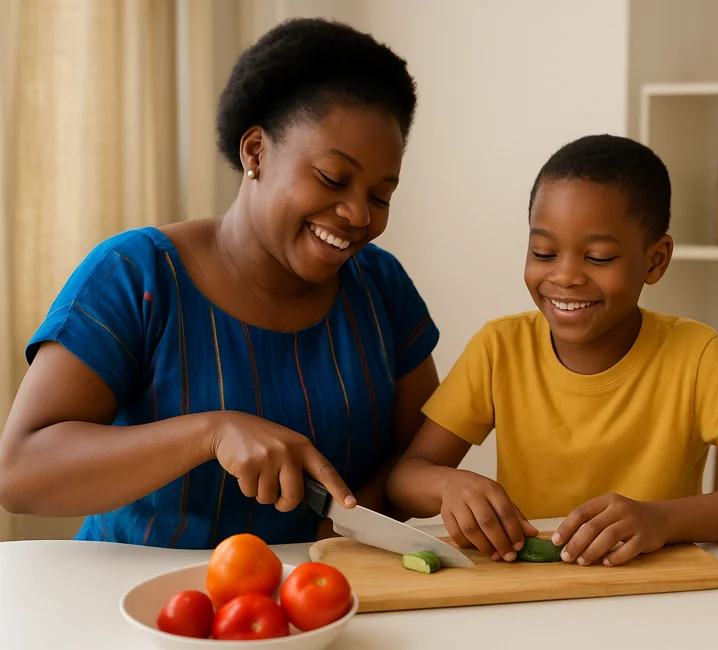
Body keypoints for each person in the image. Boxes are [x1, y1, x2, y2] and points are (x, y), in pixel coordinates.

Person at [0, 18, 440, 549]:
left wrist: (349, 525)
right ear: (255, 152)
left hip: (320, 597)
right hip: (137, 604)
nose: (356, 214)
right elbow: (20, 474)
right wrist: (210, 433)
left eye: (380, 196)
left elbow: (418, 455)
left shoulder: (381, 287)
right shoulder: (136, 275)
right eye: (332, 178)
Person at [386, 134, 718, 566]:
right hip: (530, 590)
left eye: (597, 258)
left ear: (655, 261)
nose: (565, 276)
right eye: (544, 252)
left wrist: (661, 520)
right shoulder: (499, 348)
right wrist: (450, 486)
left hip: (654, 591)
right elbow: (406, 476)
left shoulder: (695, 355)